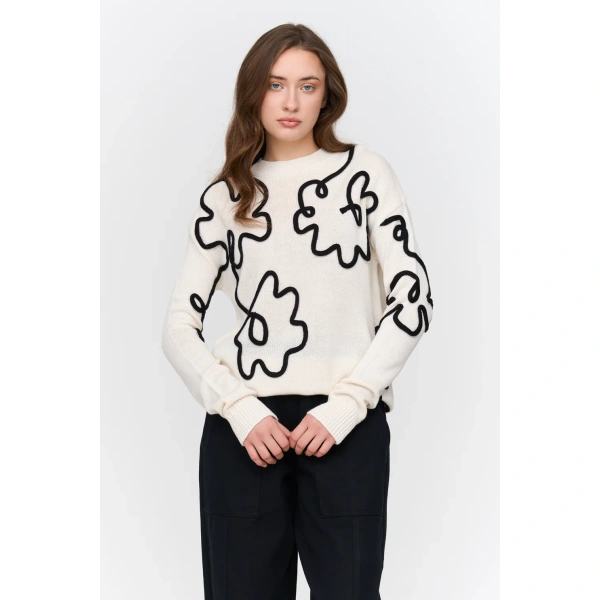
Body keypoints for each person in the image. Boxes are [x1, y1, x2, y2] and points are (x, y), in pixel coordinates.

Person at [161, 23, 434, 600]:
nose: (290, 102)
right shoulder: (227, 197)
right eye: (275, 84)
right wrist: (239, 408)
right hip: (245, 431)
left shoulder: (364, 174)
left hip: (345, 428)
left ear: (326, 95)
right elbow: (178, 327)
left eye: (307, 86)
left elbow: (412, 299)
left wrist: (349, 403)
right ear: (253, 93)